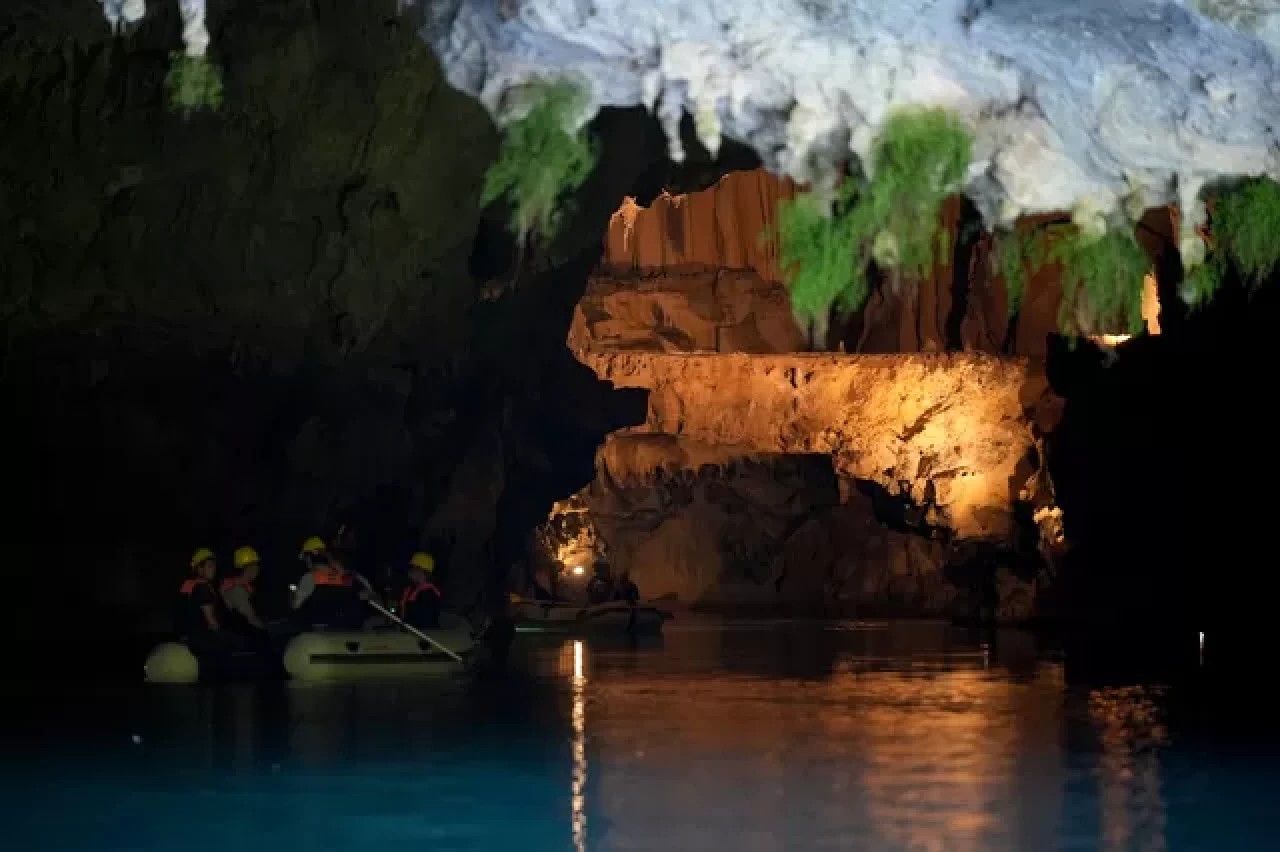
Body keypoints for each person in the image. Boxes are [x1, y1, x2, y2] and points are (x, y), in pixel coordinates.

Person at [291, 538, 374, 629]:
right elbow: (371, 596)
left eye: (306, 558)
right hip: (353, 633)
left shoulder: (310, 577)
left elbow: (295, 606)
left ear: (310, 558)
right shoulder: (353, 576)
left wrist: (292, 593)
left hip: (322, 635)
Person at [176, 548, 241, 659]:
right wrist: (226, 637)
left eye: (214, 566)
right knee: (240, 642)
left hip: (189, 638)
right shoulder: (202, 588)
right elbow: (211, 622)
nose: (214, 569)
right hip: (201, 640)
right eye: (210, 566)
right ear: (199, 569)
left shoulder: (191, 586)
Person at [220, 546, 266, 639]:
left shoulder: (239, 586)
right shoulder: (238, 590)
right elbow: (251, 619)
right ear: (250, 568)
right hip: (241, 638)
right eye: (256, 565)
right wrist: (266, 631)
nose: (258, 570)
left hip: (239, 634)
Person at [400, 552, 442, 630]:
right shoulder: (412, 589)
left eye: (413, 568)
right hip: (410, 632)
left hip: (423, 635)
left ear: (422, 571)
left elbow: (424, 621)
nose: (409, 571)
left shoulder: (428, 594)